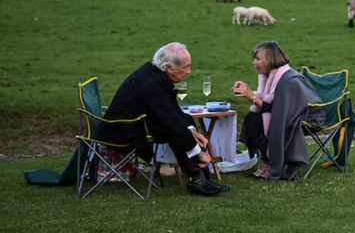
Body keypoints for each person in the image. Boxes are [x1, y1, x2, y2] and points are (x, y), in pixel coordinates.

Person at [99, 42, 231, 196]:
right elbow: (170, 118)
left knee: (184, 122)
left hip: (136, 124)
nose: (189, 71)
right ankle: (198, 179)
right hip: (122, 132)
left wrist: (192, 132)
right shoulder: (152, 83)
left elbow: (173, 110)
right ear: (169, 67)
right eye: (184, 67)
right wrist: (198, 153)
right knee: (173, 128)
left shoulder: (154, 71)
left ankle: (198, 179)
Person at [231, 41, 325, 183]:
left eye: (258, 59)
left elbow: (277, 111)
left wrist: (251, 96)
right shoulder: (269, 76)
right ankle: (267, 161)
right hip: (285, 114)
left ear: (269, 60)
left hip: (306, 118)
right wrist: (248, 91)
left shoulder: (288, 81)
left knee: (257, 119)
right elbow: (270, 104)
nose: (253, 63)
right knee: (254, 117)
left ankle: (271, 164)